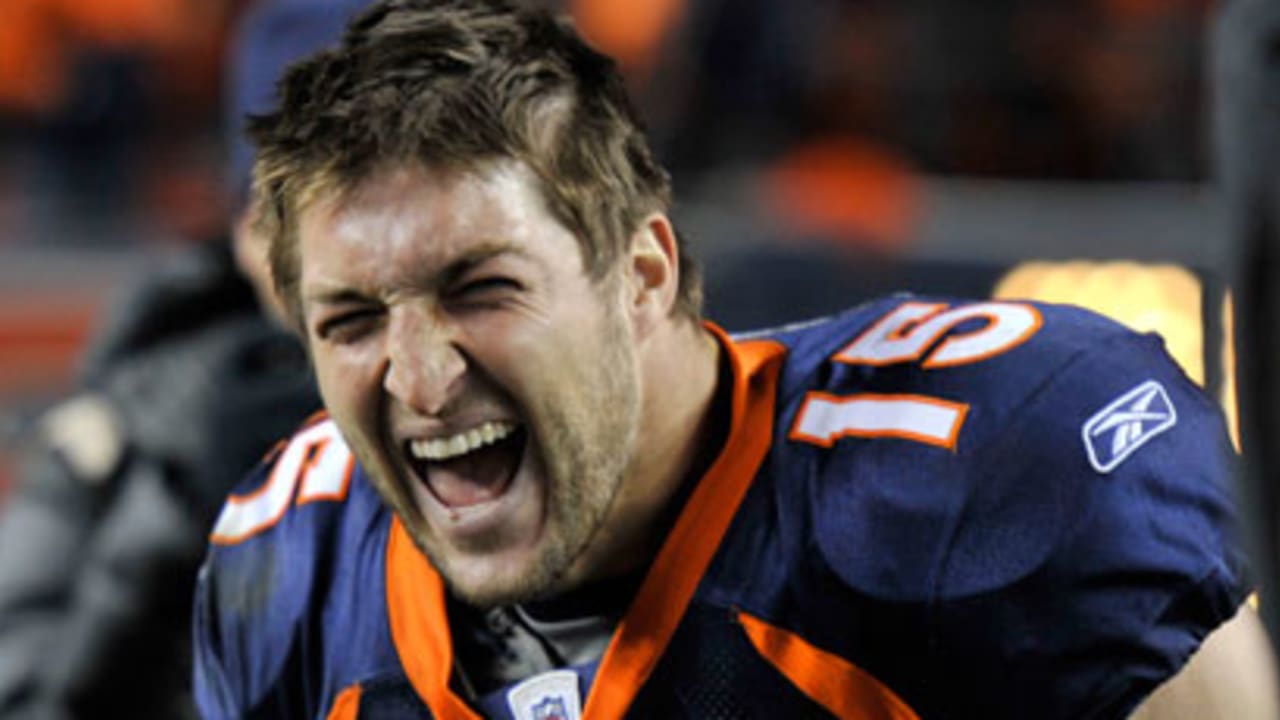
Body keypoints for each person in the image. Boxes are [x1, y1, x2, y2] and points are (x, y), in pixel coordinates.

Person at [192, 1, 1262, 718]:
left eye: (482, 289)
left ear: (643, 271)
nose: (419, 378)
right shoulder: (291, 568)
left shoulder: (972, 483)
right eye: (351, 320)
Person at [0, 0, 376, 716]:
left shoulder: (489, 408)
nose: (334, 259)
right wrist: (176, 519)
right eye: (289, 211)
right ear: (240, 230)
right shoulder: (121, 431)